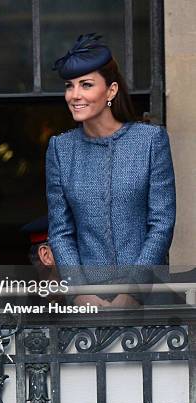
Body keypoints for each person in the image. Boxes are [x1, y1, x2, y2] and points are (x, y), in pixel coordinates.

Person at [46, 34, 176, 307]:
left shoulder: (150, 141)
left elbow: (161, 224)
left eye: (86, 85)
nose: (75, 95)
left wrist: (133, 292)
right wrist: (79, 292)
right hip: (86, 303)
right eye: (70, 86)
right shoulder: (60, 148)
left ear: (112, 90)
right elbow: (61, 231)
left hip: (148, 300)